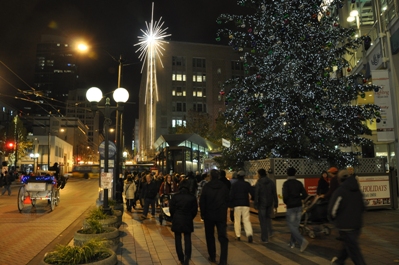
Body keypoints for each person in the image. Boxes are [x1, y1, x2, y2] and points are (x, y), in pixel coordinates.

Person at [328, 169, 366, 265]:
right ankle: (339, 261)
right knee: (348, 245)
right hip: (357, 225)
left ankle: (339, 261)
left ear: (339, 179)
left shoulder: (340, 192)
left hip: (345, 226)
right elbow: (363, 206)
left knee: (354, 252)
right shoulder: (357, 190)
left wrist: (333, 219)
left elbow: (332, 211)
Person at [200, 169, 229, 265]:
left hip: (209, 215)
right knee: (223, 237)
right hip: (221, 214)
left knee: (210, 236)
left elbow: (202, 201)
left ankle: (212, 256)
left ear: (211, 176)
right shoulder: (223, 186)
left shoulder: (207, 187)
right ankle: (223, 260)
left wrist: (202, 214)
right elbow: (227, 199)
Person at [169, 179, 198, 265]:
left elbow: (172, 209)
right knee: (187, 238)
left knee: (178, 238)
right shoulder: (192, 197)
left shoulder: (175, 196)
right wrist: (190, 217)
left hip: (177, 218)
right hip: (187, 218)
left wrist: (174, 216)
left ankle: (180, 257)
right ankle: (187, 257)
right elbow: (194, 210)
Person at [282, 167, 309, 252]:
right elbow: (305, 195)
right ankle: (292, 243)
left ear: (287, 174)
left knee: (291, 225)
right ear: (295, 173)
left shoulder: (286, 184)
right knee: (296, 226)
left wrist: (288, 202)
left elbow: (285, 197)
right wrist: (298, 197)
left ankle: (302, 241)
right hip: (298, 205)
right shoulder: (299, 183)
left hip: (291, 206)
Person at [254, 168, 278, 243]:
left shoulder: (259, 183)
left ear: (260, 174)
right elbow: (274, 193)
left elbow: (256, 194)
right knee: (268, 218)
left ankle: (264, 238)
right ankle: (270, 232)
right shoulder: (271, 182)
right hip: (269, 203)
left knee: (262, 221)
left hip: (262, 204)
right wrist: (276, 203)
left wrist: (256, 204)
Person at [229, 170, 254, 243]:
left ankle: (238, 235)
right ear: (244, 176)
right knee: (246, 220)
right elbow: (252, 192)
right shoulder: (247, 184)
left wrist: (231, 205)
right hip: (245, 204)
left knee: (237, 220)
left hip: (237, 204)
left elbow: (231, 195)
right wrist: (252, 199)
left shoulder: (234, 185)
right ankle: (249, 234)